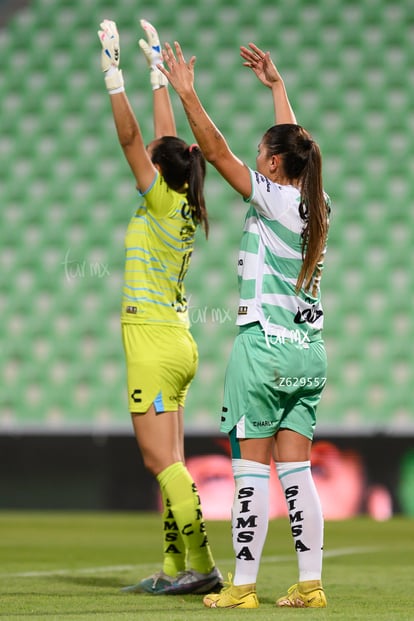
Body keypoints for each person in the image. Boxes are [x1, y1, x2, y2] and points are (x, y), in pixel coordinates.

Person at [159, 41, 330, 608]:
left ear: (275, 165)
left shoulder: (272, 198)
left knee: (250, 472)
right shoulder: (316, 203)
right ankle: (309, 585)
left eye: (264, 154)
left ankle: (245, 586)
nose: (256, 159)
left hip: (263, 350)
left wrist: (188, 93)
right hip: (308, 352)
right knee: (298, 473)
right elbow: (295, 148)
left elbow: (216, 149)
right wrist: (278, 90)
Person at [97, 19, 222, 595]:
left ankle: (202, 566)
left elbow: (132, 142)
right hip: (177, 341)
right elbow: (166, 141)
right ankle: (174, 569)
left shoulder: (160, 200)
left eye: (153, 159)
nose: (146, 155)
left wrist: (114, 76)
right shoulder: (184, 198)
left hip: (151, 341)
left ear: (159, 171)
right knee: (171, 460)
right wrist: (157, 80)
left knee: (160, 464)